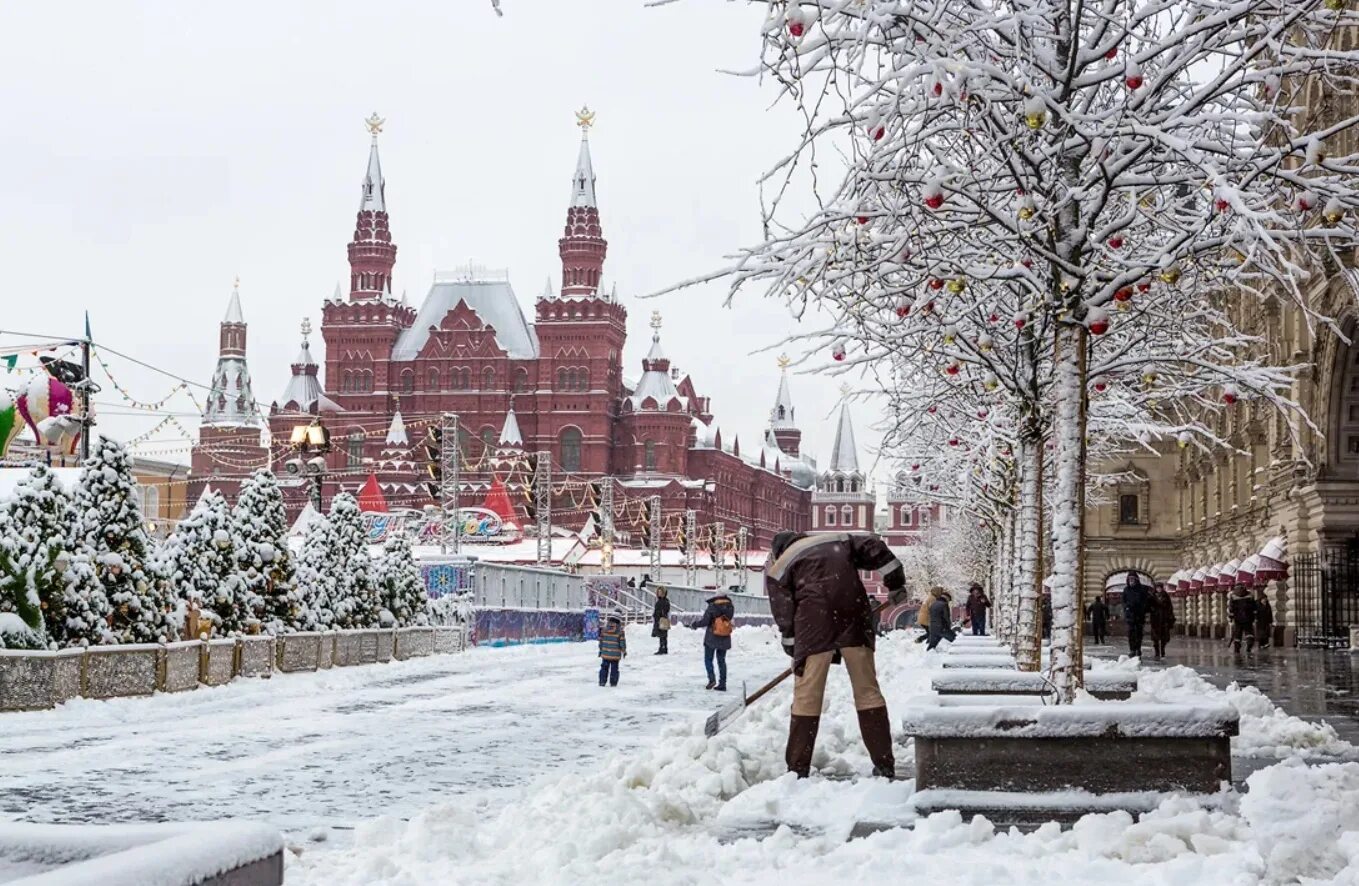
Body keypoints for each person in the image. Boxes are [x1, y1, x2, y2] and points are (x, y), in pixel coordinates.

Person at [766, 530, 907, 779]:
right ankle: (884, 764)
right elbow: (875, 547)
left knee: (807, 695)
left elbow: (783, 609)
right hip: (853, 615)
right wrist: (895, 583)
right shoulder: (839, 540)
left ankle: (797, 770)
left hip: (813, 624)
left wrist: (792, 644)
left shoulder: (780, 565)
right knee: (867, 690)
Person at [692, 592, 735, 690]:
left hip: (712, 635)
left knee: (708, 659)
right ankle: (722, 683)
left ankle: (712, 679)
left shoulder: (713, 606)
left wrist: (695, 624)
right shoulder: (730, 606)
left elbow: (705, 621)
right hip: (724, 635)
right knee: (721, 660)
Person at [1123, 573, 1150, 657]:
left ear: (1136, 580)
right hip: (1130, 615)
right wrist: (1126, 608)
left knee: (1139, 633)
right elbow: (1123, 601)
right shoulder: (1126, 589)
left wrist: (1142, 608)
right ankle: (1132, 649)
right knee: (1131, 633)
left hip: (1139, 614)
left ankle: (1138, 648)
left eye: (1132, 579)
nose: (1131, 580)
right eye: (1129, 579)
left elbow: (1146, 601)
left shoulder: (1142, 589)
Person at [597, 612, 626, 687]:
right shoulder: (620, 631)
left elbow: (601, 641)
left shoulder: (604, 630)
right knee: (614, 669)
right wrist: (624, 650)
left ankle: (602, 681)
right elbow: (622, 642)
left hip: (605, 653)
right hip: (615, 655)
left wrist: (601, 649)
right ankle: (613, 682)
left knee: (604, 668)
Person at [1149, 583, 1176, 659]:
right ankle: (1157, 652)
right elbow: (1149, 607)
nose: (1159, 589)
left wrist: (1169, 616)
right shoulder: (1152, 597)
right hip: (1155, 620)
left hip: (1164, 619)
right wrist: (1152, 609)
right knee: (1155, 638)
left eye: (1160, 588)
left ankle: (1162, 650)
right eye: (1157, 588)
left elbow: (1170, 607)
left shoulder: (1166, 596)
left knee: (1164, 638)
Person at [1229, 584, 1258, 654]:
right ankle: (1249, 646)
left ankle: (1237, 649)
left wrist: (1231, 618)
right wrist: (1255, 617)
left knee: (1237, 634)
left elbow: (1231, 608)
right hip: (1248, 618)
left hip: (1238, 619)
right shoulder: (1250, 595)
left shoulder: (1233, 595)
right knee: (1249, 633)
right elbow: (1254, 607)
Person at [650, 586, 671, 655]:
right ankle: (663, 648)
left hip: (662, 619)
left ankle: (663, 648)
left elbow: (665, 610)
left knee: (662, 634)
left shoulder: (664, 601)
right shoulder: (661, 601)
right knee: (662, 635)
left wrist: (659, 615)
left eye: (660, 592)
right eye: (658, 592)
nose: (659, 593)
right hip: (661, 619)